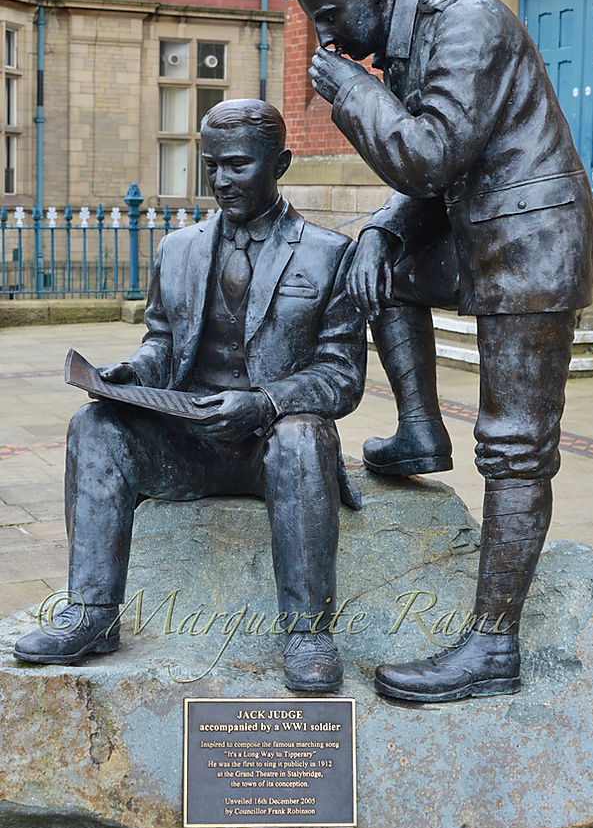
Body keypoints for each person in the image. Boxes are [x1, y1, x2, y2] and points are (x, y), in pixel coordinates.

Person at [281, 0, 593, 701]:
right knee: (376, 267)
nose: (324, 34)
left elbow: (428, 156)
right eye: (312, 17)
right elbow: (433, 178)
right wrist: (382, 231)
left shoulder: (468, 22)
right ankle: (421, 430)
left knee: (514, 446)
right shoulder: (403, 48)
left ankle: (493, 645)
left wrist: (352, 91)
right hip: (481, 232)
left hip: (534, 243)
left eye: (329, 10)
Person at [13, 98, 366, 693]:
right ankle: (93, 615)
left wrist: (265, 402)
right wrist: (133, 373)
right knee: (93, 426)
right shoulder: (177, 249)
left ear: (279, 164)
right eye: (211, 166)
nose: (221, 180)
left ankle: (308, 631)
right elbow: (161, 341)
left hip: (272, 445)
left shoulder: (329, 255)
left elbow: (341, 375)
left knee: (304, 435)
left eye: (238, 165)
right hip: (189, 443)